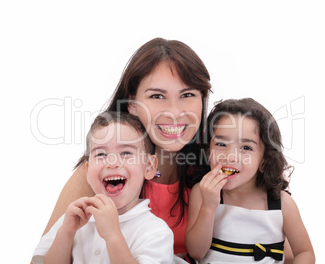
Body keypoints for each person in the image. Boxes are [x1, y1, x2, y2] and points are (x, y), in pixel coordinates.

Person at [41, 38, 212, 258]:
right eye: (157, 96)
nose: (173, 111)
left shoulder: (214, 165)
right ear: (132, 104)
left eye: (187, 95)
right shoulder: (103, 171)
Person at [32, 111, 174, 264]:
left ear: (149, 166)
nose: (112, 162)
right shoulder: (72, 220)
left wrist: (113, 235)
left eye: (126, 152)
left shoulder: (155, 232)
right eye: (101, 154)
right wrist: (66, 233)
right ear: (87, 170)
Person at [185, 98, 315, 263]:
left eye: (246, 148)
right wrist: (209, 206)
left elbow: (304, 253)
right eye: (221, 144)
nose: (230, 156)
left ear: (264, 160)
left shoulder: (282, 204)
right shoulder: (202, 192)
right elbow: (196, 252)